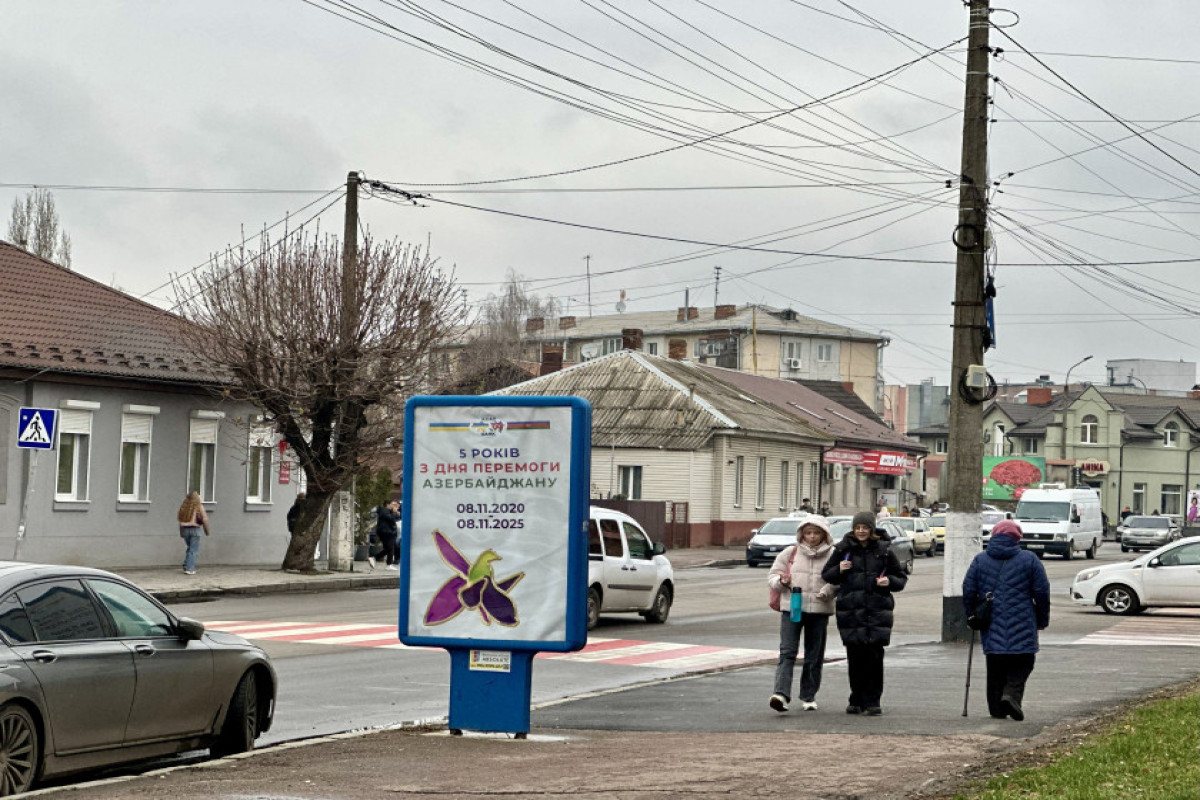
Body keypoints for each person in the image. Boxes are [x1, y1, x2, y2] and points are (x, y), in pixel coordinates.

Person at [962, 520, 1050, 721]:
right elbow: (1042, 592)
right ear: (1017, 538)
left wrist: (972, 615)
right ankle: (1011, 695)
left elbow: (968, 590)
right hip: (1024, 619)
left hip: (991, 621)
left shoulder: (980, 560)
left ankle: (997, 709)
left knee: (995, 664)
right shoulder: (1030, 560)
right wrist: (1042, 619)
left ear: (993, 536)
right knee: (1024, 661)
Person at [821, 511, 907, 716]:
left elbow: (900, 578)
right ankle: (856, 699)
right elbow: (827, 575)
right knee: (855, 658)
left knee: (874, 659)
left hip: (877, 611)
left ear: (872, 529)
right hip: (851, 612)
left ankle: (873, 701)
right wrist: (840, 569)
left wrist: (889, 582)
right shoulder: (842, 550)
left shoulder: (884, 551)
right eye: (858, 528)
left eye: (865, 528)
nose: (861, 531)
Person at [767, 516, 835, 713]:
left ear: (824, 534)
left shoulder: (833, 554)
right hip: (792, 608)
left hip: (819, 610)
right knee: (787, 652)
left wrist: (827, 591)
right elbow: (772, 576)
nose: (812, 537)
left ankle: (808, 696)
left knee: (814, 654)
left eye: (816, 533)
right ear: (801, 534)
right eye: (808, 533)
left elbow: (839, 579)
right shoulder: (791, 552)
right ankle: (780, 694)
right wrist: (782, 581)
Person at [176, 491, 210, 576]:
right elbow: (205, 519)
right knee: (193, 550)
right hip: (195, 530)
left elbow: (180, 521)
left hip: (185, 529)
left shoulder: (184, 508)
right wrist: (207, 531)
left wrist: (181, 533)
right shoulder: (199, 507)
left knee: (190, 548)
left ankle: (186, 564)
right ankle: (190, 569)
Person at [371, 498, 401, 570]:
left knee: (390, 548)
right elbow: (391, 519)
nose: (393, 506)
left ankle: (389, 564)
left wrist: (395, 513)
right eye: (392, 504)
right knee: (389, 548)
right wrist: (394, 513)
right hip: (386, 532)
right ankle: (375, 558)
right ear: (387, 504)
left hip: (388, 531)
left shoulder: (387, 511)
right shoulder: (384, 510)